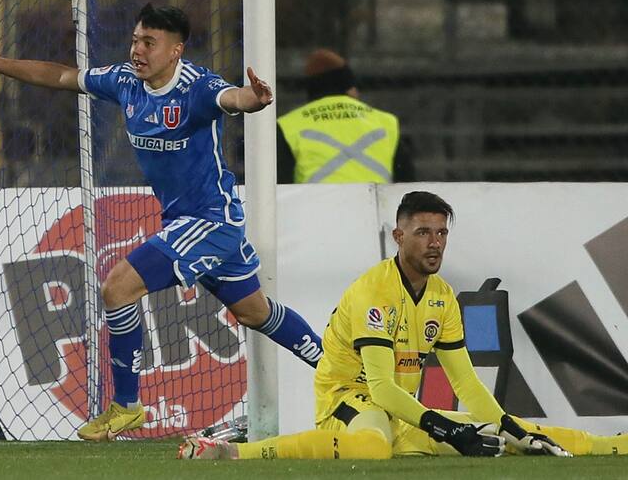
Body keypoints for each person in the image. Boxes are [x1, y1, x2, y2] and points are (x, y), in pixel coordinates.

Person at [0, 4, 324, 442]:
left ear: (175, 50)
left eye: (149, 42)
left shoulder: (197, 88)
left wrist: (253, 99)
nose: (137, 50)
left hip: (210, 221)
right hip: (188, 220)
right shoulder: (125, 81)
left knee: (118, 287)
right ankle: (342, 368)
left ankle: (126, 406)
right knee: (255, 312)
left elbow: (231, 98)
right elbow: (63, 76)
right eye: (135, 39)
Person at [179, 191, 628, 460]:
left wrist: (511, 427)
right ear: (398, 236)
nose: (435, 244)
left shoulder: (442, 297)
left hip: (402, 411)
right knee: (374, 447)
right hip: (347, 400)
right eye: (423, 233)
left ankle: (617, 445)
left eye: (442, 234)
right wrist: (445, 428)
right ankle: (236, 452)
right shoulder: (373, 291)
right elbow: (379, 385)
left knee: (512, 436)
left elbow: (467, 383)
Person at [277, 49, 414, 184]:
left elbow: (280, 185)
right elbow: (408, 182)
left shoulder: (288, 126)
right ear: (351, 89)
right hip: (375, 204)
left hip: (315, 205)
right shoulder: (385, 122)